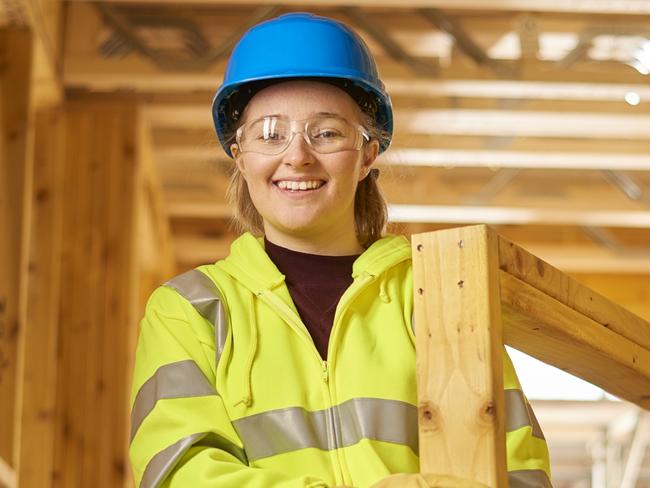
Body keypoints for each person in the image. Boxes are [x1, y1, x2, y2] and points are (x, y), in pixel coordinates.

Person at [128, 12, 552, 488]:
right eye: (270, 133)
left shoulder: (439, 292)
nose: (297, 155)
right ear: (239, 155)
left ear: (368, 154)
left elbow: (520, 472)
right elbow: (179, 475)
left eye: (327, 132)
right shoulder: (192, 310)